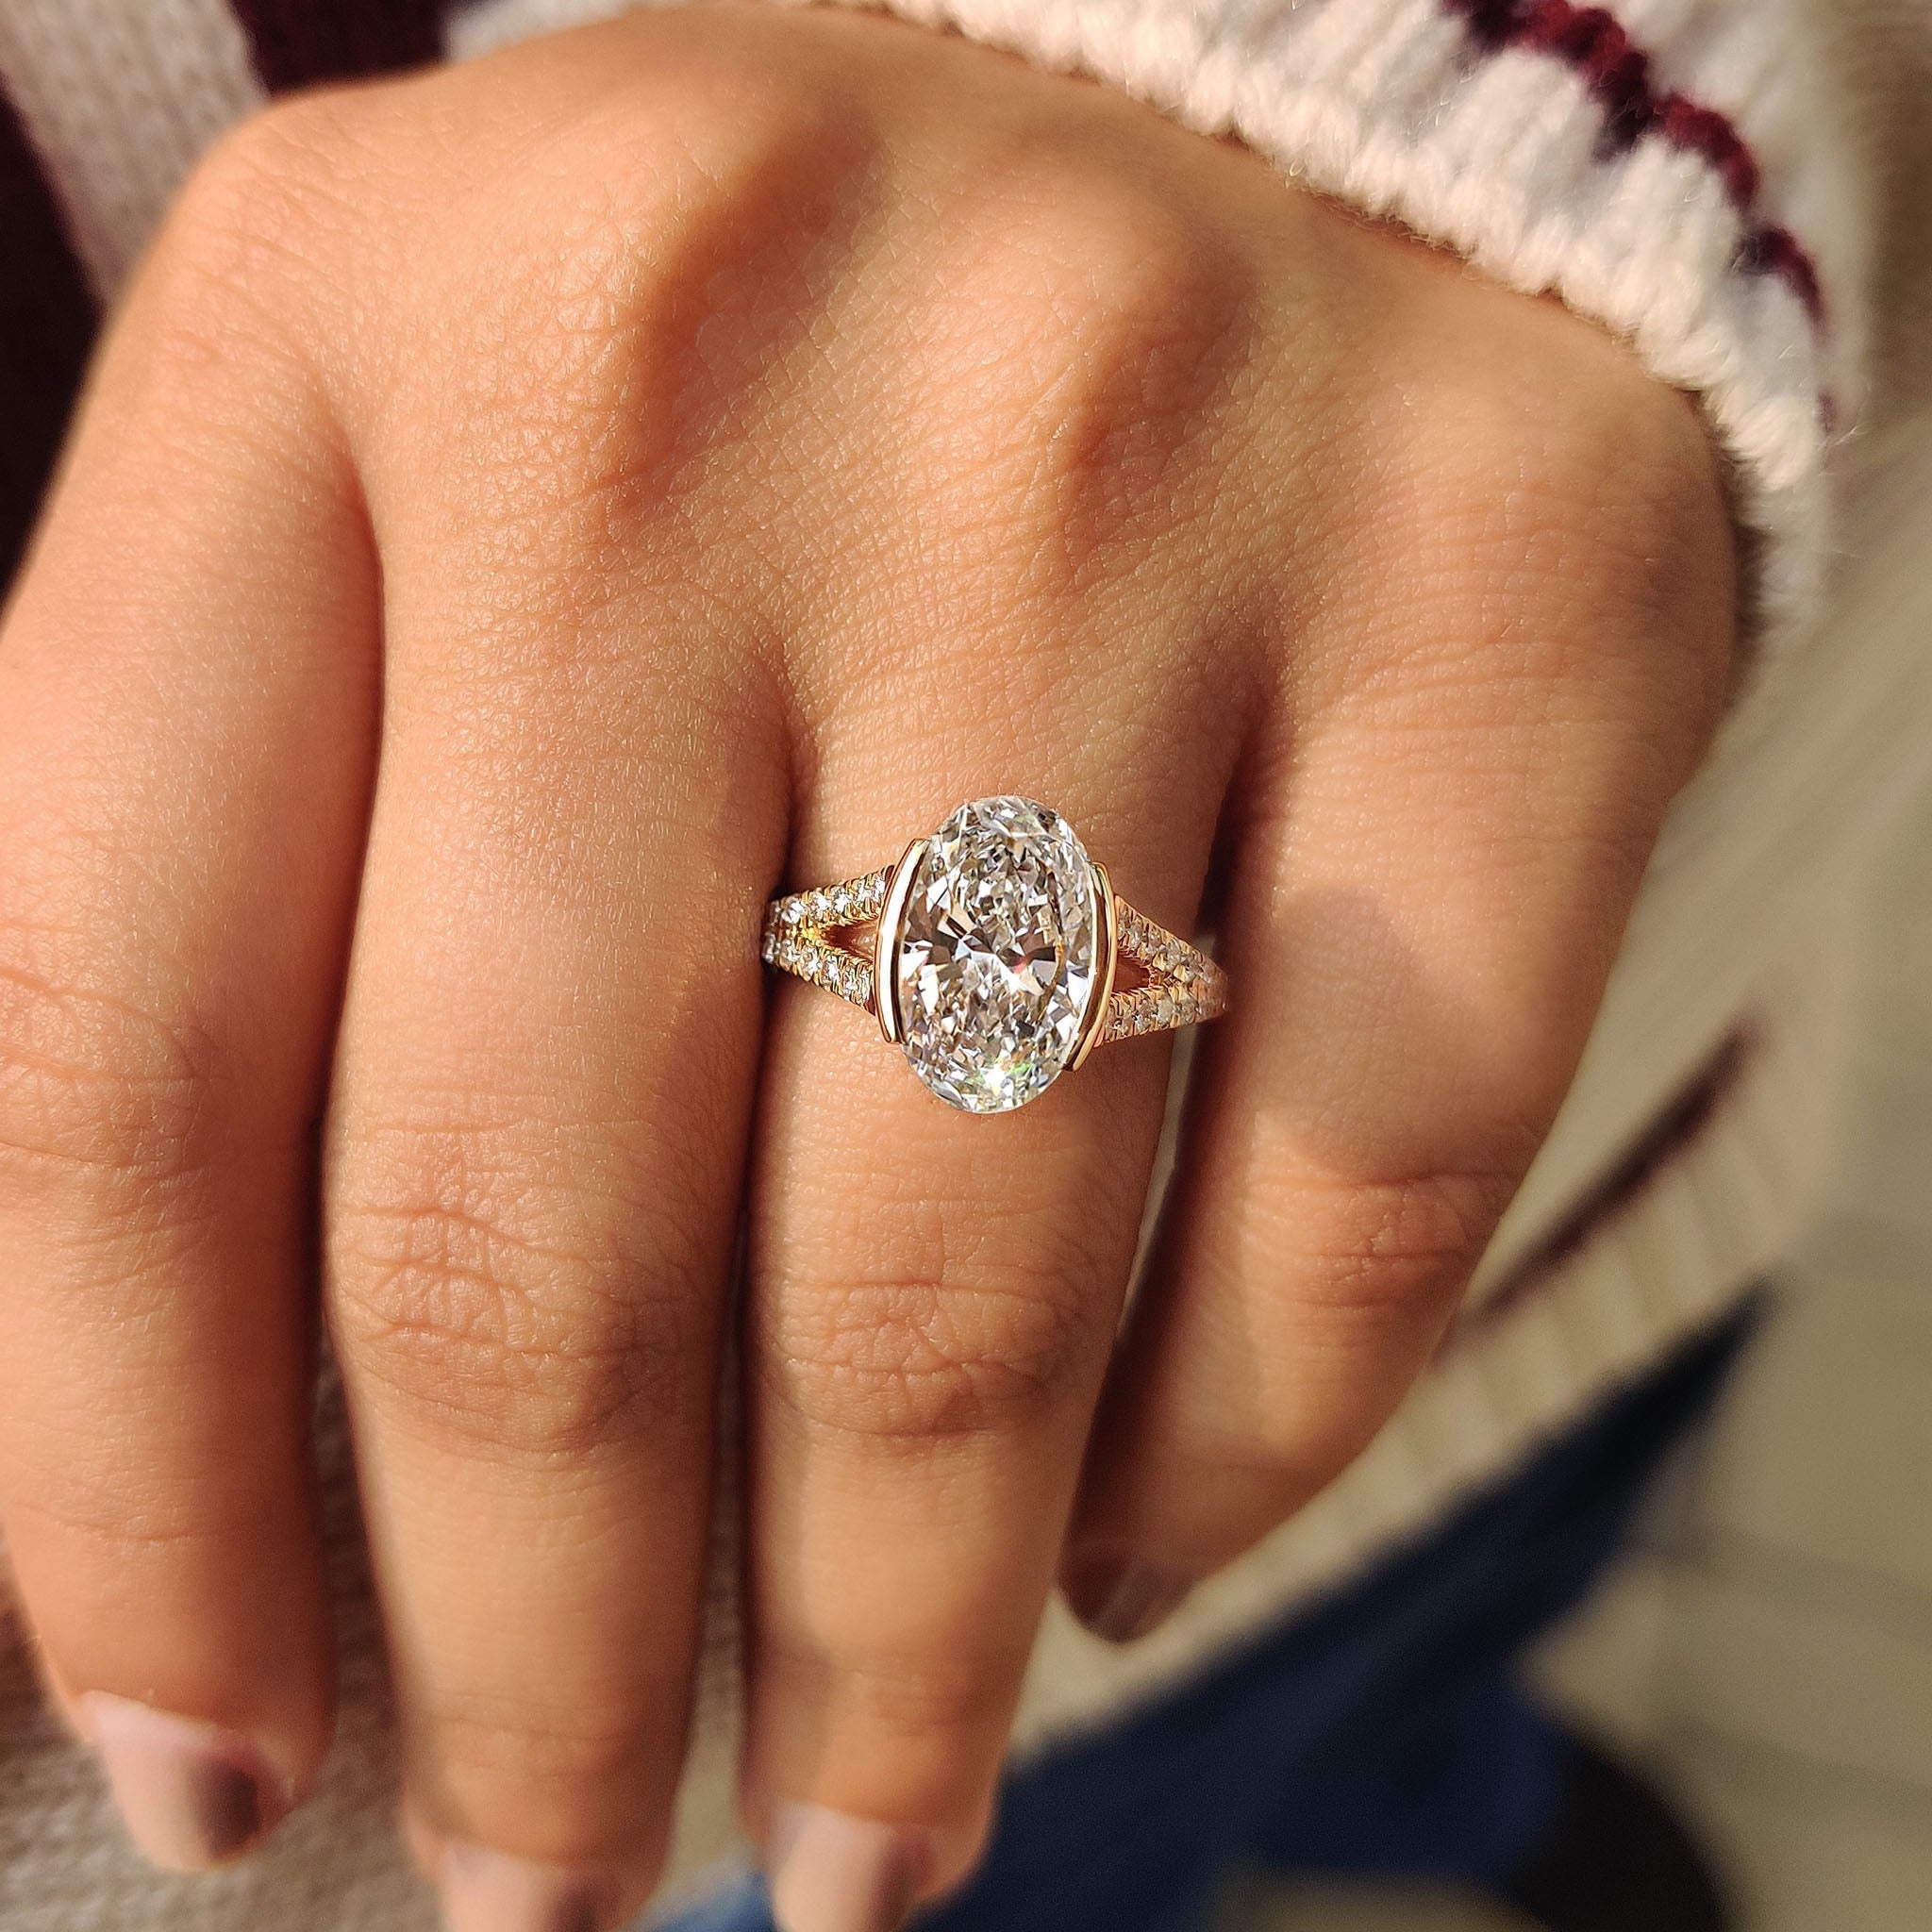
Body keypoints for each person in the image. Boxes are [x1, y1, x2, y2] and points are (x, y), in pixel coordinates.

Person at [0, 3, 1924, 1931]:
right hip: (763, 1752)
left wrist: (1421, 79)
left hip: (1571, 1139)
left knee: (1433, 1622)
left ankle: (1441, 1780)